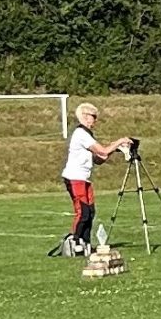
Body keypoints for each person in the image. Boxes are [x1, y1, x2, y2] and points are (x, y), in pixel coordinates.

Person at [56, 101, 130, 253]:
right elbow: (102, 151)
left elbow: (99, 159)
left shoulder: (87, 135)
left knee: (90, 211)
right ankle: (74, 240)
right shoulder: (81, 133)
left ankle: (85, 242)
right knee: (82, 211)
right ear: (85, 116)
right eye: (93, 116)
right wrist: (118, 142)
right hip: (75, 177)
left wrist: (115, 149)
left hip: (84, 178)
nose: (95, 120)